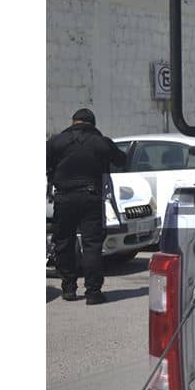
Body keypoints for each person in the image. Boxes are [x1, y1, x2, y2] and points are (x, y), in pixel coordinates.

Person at [46, 108, 127, 304]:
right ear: (93, 124)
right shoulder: (101, 142)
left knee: (64, 242)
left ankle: (68, 288)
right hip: (91, 197)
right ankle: (92, 292)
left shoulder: (56, 141)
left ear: (73, 122)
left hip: (64, 198)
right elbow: (121, 160)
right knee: (92, 245)